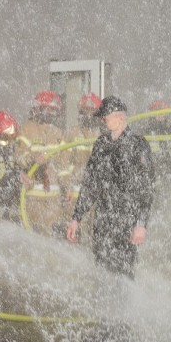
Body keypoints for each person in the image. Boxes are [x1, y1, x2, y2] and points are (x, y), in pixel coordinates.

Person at [66, 96, 155, 279]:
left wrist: (141, 223)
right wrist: (77, 218)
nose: (102, 121)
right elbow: (91, 183)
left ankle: (124, 305)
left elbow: (146, 187)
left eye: (105, 117)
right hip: (103, 218)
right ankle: (104, 304)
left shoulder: (138, 144)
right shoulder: (101, 145)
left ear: (119, 117)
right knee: (101, 267)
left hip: (126, 219)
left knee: (123, 269)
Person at [16, 90, 67, 237]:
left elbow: (63, 164)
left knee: (52, 238)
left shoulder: (58, 133)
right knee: (35, 237)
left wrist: (67, 188)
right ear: (38, 108)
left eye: (54, 110)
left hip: (54, 199)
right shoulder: (27, 129)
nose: (51, 114)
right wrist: (33, 158)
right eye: (48, 109)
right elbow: (19, 157)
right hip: (33, 196)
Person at [64, 94, 102, 242]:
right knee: (74, 232)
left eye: (92, 112)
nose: (88, 115)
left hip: (97, 193)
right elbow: (63, 164)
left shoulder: (104, 136)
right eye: (85, 111)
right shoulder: (72, 133)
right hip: (75, 193)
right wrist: (68, 186)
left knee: (96, 233)